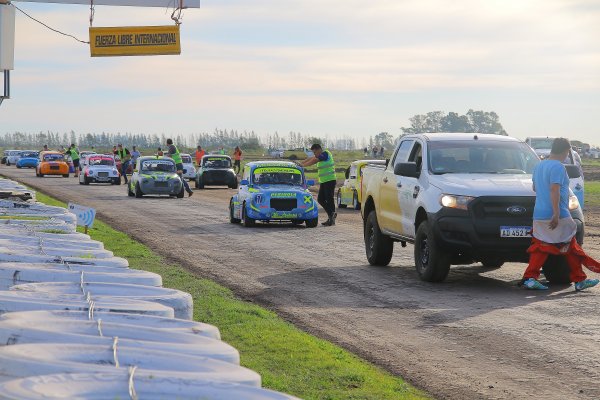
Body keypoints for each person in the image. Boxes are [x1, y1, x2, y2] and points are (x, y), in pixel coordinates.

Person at [521, 138, 600, 291]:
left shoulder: (539, 166)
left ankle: (531, 278)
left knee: (543, 245)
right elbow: (554, 189)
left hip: (539, 213)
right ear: (565, 151)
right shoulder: (558, 167)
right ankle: (579, 279)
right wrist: (556, 214)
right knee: (570, 244)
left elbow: (535, 188)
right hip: (558, 214)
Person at [299, 143, 337, 226]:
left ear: (319, 149)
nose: (314, 154)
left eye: (315, 152)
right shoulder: (319, 155)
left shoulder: (325, 154)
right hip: (324, 181)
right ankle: (331, 214)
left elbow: (314, 160)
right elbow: (311, 158)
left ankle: (332, 217)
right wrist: (300, 163)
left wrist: (303, 166)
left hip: (330, 180)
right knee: (320, 199)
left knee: (329, 198)